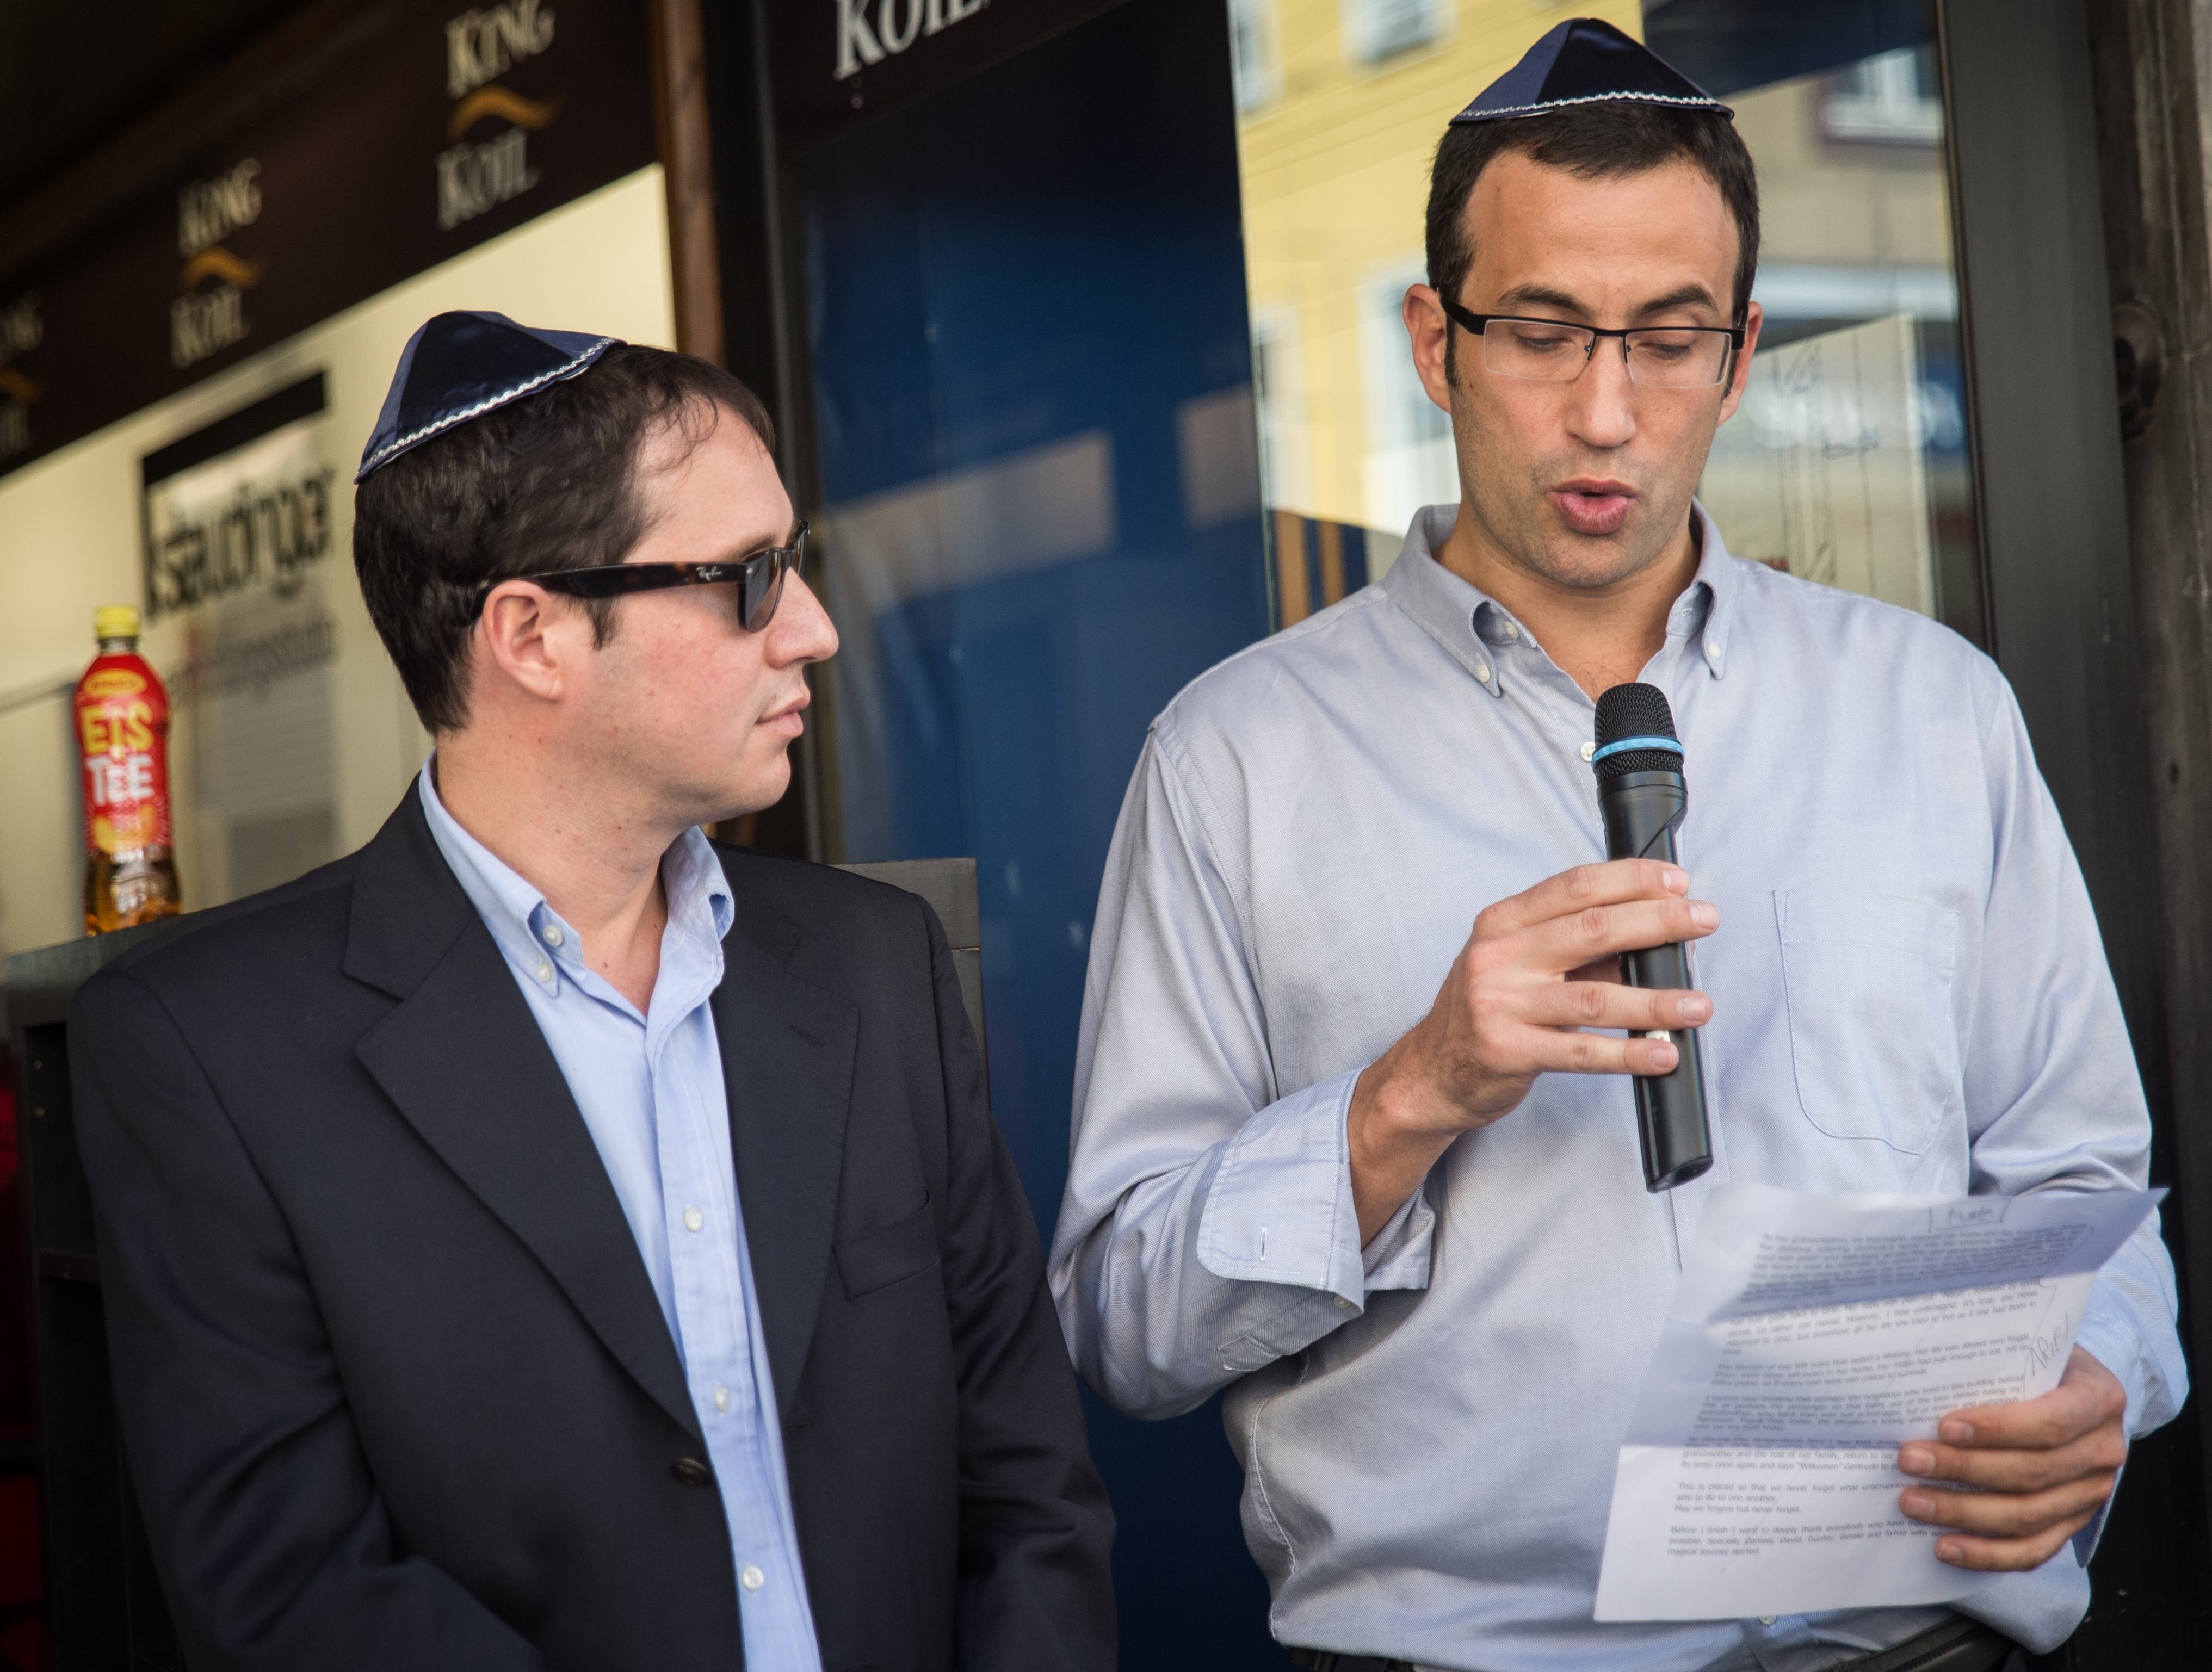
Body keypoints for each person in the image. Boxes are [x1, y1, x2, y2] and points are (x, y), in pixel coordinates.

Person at [1051, 19, 2183, 1672]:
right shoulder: (1232, 759)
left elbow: (2081, 1185)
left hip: (1930, 1644)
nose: (1604, 410)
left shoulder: (1933, 708)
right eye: (1542, 332)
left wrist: (2101, 1377)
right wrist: (1412, 1091)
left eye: (1667, 340)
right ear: (1435, 344)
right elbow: (1123, 1320)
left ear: (1738, 358)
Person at [71, 312, 1116, 1671]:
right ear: (533, 635)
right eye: (748, 576)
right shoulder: (208, 1047)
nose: (812, 628)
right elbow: (295, 1595)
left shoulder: (877, 967)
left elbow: (1031, 1487)